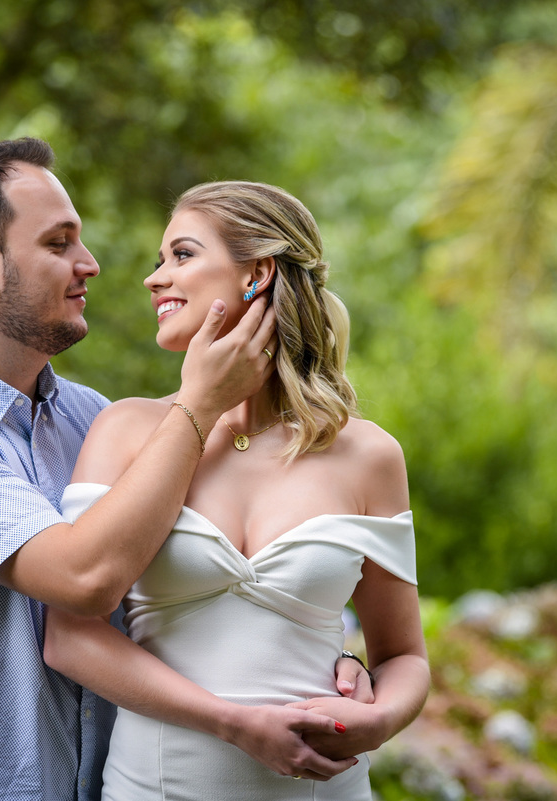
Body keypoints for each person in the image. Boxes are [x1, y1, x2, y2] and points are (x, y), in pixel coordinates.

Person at [0, 139, 373, 801]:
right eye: (58, 243)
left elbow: (191, 595)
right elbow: (84, 580)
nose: (89, 263)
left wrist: (327, 659)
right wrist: (202, 403)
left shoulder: (92, 419)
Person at [43, 180, 431, 799]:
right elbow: (71, 639)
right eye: (161, 259)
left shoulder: (369, 455)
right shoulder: (124, 430)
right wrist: (234, 724)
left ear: (257, 272)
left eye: (182, 255)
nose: (154, 279)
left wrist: (379, 720)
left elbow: (404, 657)